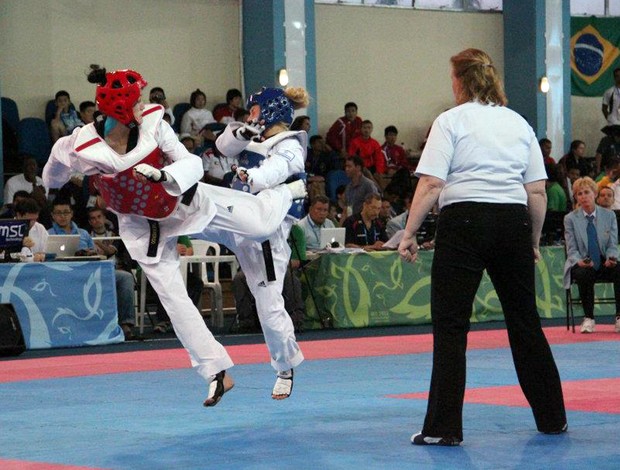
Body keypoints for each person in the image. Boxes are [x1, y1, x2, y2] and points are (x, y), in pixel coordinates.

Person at [42, 66, 305, 407]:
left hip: (185, 203)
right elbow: (55, 168)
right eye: (135, 102)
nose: (143, 106)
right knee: (173, 298)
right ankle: (215, 372)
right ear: (120, 108)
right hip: (140, 227)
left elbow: (191, 163)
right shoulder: (81, 144)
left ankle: (287, 194)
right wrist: (51, 188)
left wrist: (163, 175)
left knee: (258, 227)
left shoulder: (153, 122)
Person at [398, 48, 566, 445]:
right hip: (512, 221)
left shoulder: (450, 121)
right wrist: (532, 241)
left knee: (452, 325)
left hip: (465, 222)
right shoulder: (519, 124)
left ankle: (443, 429)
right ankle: (553, 417)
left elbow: (432, 184)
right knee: (525, 322)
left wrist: (409, 233)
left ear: (460, 81)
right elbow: (537, 192)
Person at [213, 85, 310, 400]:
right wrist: (245, 129)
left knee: (268, 304)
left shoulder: (290, 144)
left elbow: (276, 170)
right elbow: (222, 145)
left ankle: (285, 367)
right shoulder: (249, 136)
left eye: (255, 111)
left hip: (266, 230)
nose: (250, 116)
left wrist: (250, 178)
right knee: (192, 214)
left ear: (270, 111)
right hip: (235, 216)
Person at [564, 177, 620, 334]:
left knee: (619, 269)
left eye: (586, 192)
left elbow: (612, 244)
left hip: (603, 260)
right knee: (583, 273)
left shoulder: (609, 216)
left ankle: (619, 317)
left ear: (595, 193)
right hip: (582, 261)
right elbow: (571, 248)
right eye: (579, 194)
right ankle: (588, 318)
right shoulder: (570, 219)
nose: (583, 196)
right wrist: (578, 261)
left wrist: (611, 257)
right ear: (576, 197)